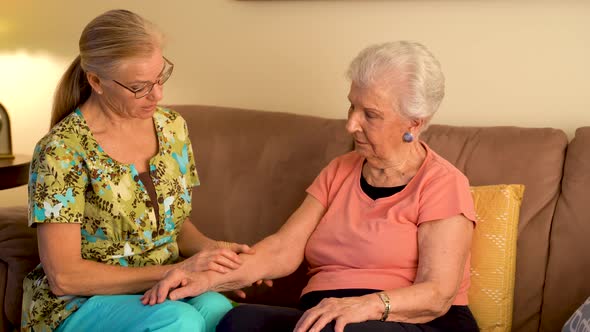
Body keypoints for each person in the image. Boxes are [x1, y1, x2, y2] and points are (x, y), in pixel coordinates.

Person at [143, 41, 479, 332]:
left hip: (411, 322)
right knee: (239, 323)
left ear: (414, 123)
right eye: (352, 105)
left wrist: (365, 306)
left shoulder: (443, 183)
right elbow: (281, 250)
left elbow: (438, 293)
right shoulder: (340, 170)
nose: (351, 124)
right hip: (325, 317)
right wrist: (203, 279)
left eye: (370, 115)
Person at [22, 9, 254, 332]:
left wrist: (214, 253)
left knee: (221, 312)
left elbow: (175, 223)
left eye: (161, 77)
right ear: (96, 81)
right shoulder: (61, 151)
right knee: (181, 321)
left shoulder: (172, 128)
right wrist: (178, 270)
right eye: (139, 87)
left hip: (161, 285)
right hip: (79, 303)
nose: (158, 94)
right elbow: (64, 277)